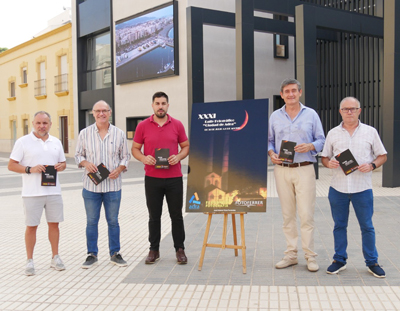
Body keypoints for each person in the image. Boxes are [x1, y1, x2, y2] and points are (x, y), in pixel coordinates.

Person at [321, 97, 387, 278]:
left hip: (362, 188)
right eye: (345, 109)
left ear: (360, 110)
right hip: (338, 188)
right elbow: (325, 157)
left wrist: (372, 165)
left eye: (353, 109)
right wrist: (329, 164)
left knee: (367, 226)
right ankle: (339, 260)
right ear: (340, 111)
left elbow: (382, 155)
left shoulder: (370, 132)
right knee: (339, 225)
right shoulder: (333, 133)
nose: (349, 112)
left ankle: (372, 262)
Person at [268, 78, 325, 272]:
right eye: (286, 91)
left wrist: (311, 146)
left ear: (300, 92)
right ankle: (291, 254)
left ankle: (310, 256)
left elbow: (321, 140)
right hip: (282, 170)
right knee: (287, 215)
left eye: (294, 90)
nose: (290, 94)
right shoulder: (275, 116)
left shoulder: (311, 115)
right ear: (282, 95)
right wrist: (271, 153)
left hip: (304, 168)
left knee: (306, 214)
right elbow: (269, 140)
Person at [132, 91, 190, 264]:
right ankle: (154, 250)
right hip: (152, 178)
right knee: (154, 216)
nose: (160, 106)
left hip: (174, 178)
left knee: (176, 215)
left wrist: (179, 157)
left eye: (163, 103)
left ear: (168, 105)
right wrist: (143, 158)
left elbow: (186, 146)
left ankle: (180, 249)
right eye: (157, 103)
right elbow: (135, 149)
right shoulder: (142, 126)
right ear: (152, 105)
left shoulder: (177, 124)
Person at [8, 111, 67, 276]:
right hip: (32, 193)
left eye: (45, 123)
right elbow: (11, 165)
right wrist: (29, 169)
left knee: (54, 225)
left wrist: (61, 166)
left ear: (50, 124)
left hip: (54, 191)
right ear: (33, 123)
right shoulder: (23, 142)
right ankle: (29, 260)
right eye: (38, 123)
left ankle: (55, 257)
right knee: (31, 227)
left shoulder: (56, 142)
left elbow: (62, 163)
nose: (42, 126)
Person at [75, 100, 131, 269]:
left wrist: (120, 169)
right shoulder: (84, 134)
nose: (101, 114)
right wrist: (85, 163)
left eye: (104, 110)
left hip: (113, 187)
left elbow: (125, 157)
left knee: (113, 221)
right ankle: (92, 254)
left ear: (110, 112)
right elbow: (78, 155)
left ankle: (115, 254)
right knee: (91, 221)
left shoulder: (119, 134)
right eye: (98, 111)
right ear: (93, 113)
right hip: (91, 187)